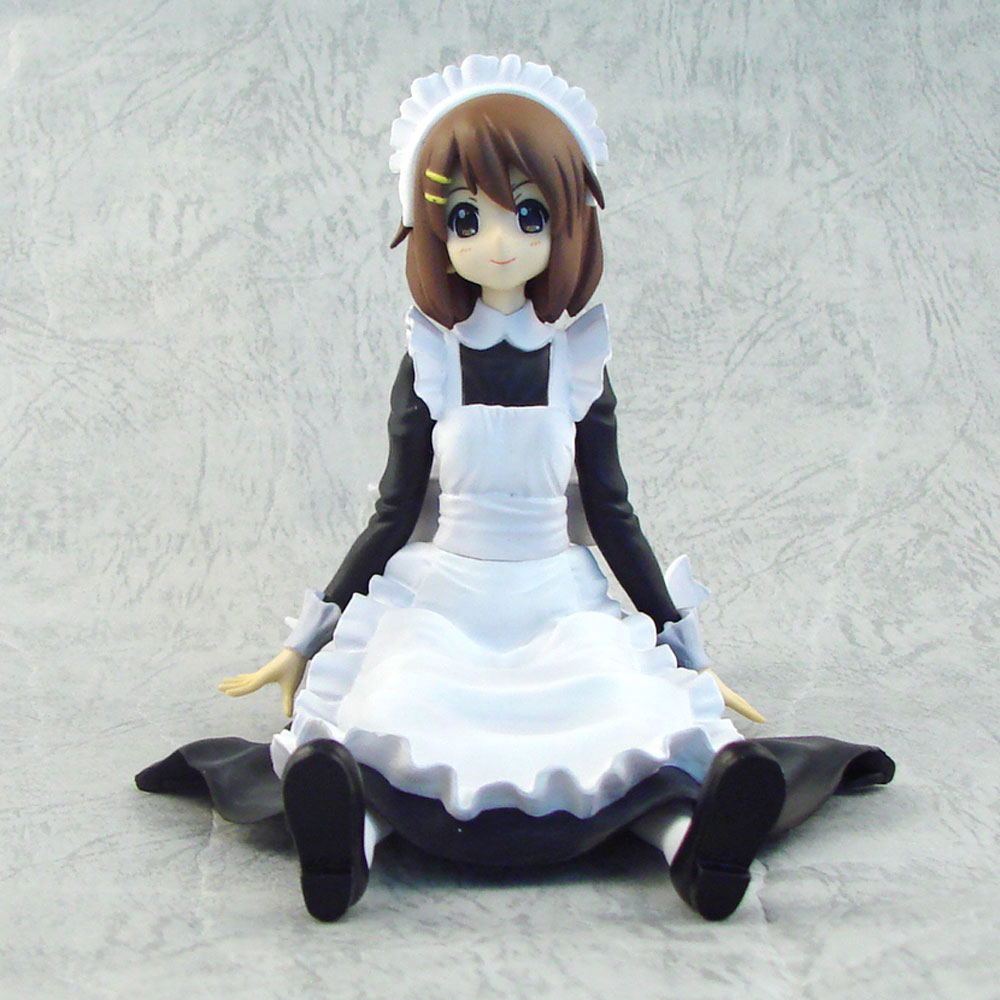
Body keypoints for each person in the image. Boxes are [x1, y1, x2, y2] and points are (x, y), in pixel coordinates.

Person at [137, 54, 893, 924]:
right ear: (436, 232)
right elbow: (393, 513)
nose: (498, 241)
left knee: (623, 707)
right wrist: (309, 637)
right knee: (396, 704)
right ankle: (345, 847)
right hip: (444, 596)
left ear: (566, 225)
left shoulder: (579, 362)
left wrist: (682, 646)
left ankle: (697, 850)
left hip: (555, 596)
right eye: (467, 217)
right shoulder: (431, 361)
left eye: (528, 214)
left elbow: (611, 511)